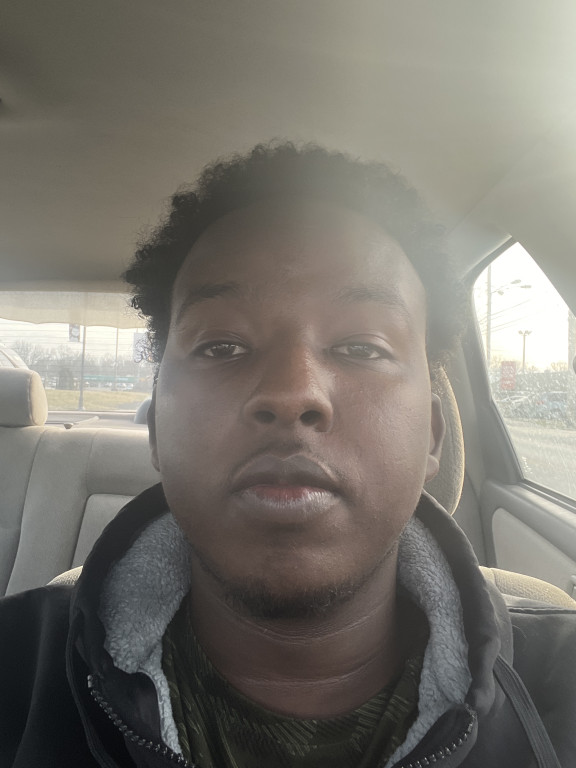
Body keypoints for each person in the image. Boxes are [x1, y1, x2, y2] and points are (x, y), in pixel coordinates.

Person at [1, 143, 575, 768]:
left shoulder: (560, 684)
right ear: (158, 429)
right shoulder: (16, 669)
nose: (291, 393)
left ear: (432, 436)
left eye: (362, 347)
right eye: (221, 346)